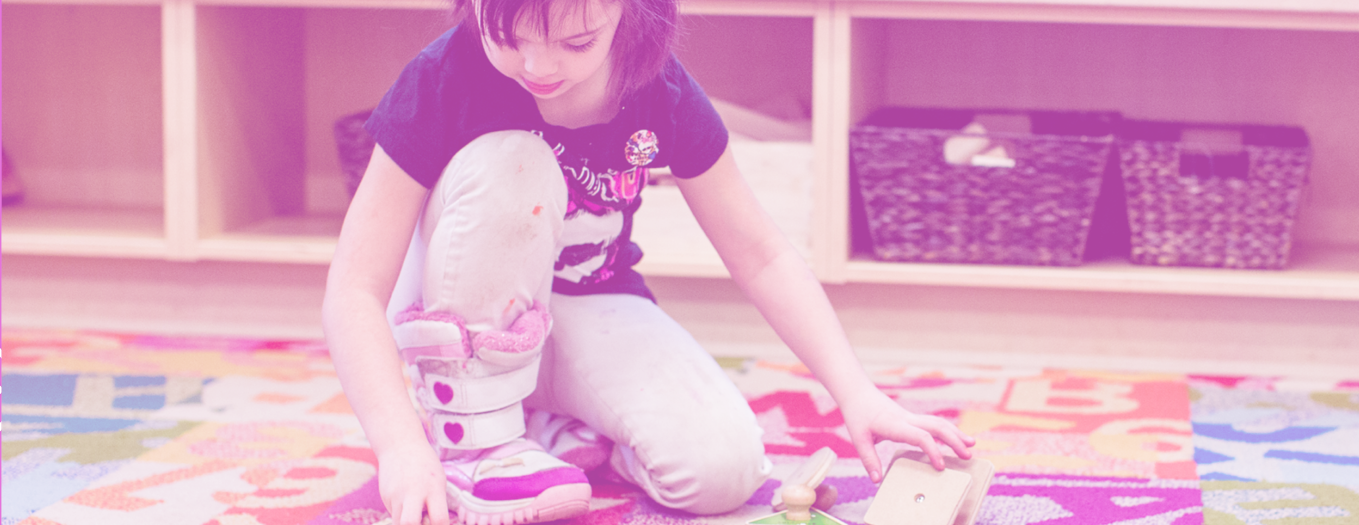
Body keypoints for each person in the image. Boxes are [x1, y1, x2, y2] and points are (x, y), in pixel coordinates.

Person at [320, 0, 976, 524]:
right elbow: (354, 287)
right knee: (515, 161)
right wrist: (400, 446)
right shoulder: (445, 76)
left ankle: (551, 424)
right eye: (509, 35)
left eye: (576, 41)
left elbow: (761, 251)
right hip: (463, 315)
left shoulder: (657, 88)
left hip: (585, 305)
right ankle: (476, 435)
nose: (537, 64)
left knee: (724, 470)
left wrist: (856, 392)